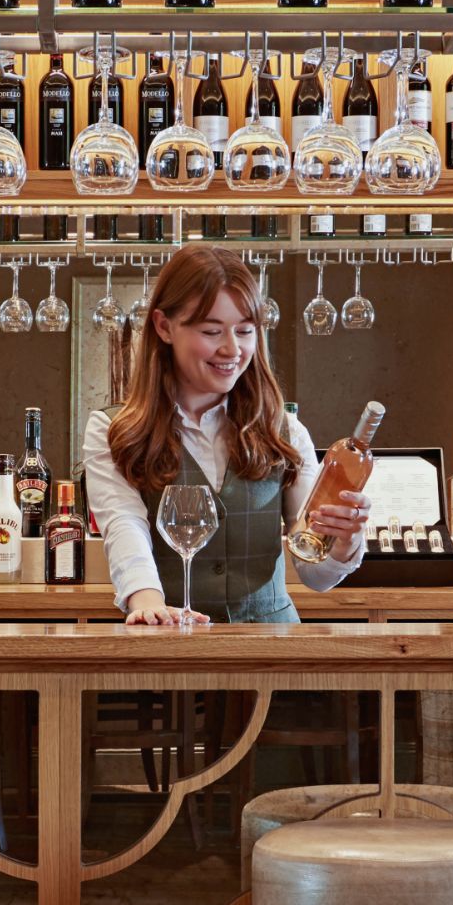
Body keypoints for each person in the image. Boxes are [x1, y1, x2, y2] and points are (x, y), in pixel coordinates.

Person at [83, 245, 370, 625]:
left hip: (272, 655)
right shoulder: (113, 430)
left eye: (245, 331)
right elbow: (124, 525)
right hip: (169, 648)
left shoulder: (284, 431)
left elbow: (315, 576)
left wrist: (345, 540)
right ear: (163, 327)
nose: (232, 349)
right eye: (211, 331)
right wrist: (146, 601)